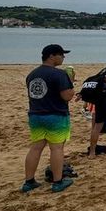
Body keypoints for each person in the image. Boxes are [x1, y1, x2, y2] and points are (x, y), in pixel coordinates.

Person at [22, 44, 75, 192]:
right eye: (61, 55)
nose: (63, 57)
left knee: (36, 148)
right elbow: (67, 96)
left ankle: (29, 181)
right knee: (56, 148)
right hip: (55, 115)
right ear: (52, 56)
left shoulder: (32, 74)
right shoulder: (59, 74)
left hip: (36, 115)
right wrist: (71, 84)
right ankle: (58, 181)